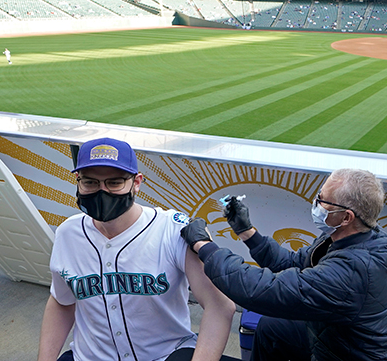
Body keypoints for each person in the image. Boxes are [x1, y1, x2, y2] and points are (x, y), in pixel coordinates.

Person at [38, 137, 237, 361]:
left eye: (114, 182)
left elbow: (219, 306)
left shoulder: (172, 230)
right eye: (90, 182)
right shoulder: (68, 233)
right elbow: (62, 302)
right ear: (78, 181)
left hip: (165, 355)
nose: (102, 191)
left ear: (137, 182)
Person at [180, 168, 387, 361]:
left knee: (272, 316)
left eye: (323, 201)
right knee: (272, 328)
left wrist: (205, 246)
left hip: (353, 354)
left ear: (347, 217)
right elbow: (290, 263)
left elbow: (262, 290)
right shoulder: (350, 237)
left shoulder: (350, 272)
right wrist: (246, 232)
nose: (316, 204)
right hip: (338, 336)